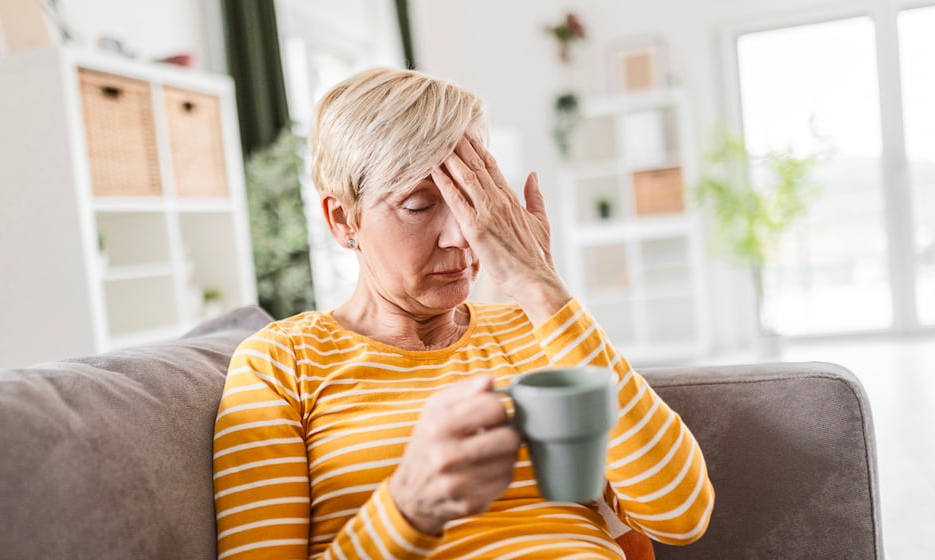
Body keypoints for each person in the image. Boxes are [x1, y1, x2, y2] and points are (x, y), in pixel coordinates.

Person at [212, 67, 714, 559]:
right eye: (418, 205)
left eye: (474, 201)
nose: (461, 237)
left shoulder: (542, 327)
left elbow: (682, 513)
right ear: (343, 218)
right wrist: (407, 510)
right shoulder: (282, 363)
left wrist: (542, 287)